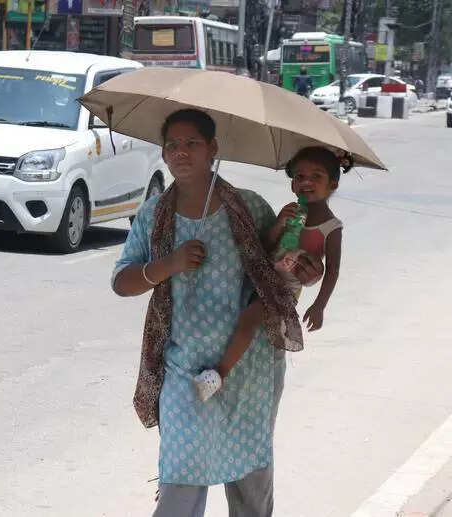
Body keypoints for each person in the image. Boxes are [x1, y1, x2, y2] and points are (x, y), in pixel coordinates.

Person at [112, 108, 323, 517]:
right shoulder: (154, 213)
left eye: (192, 143)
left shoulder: (248, 207)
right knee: (182, 470)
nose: (181, 153)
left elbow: (275, 273)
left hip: (251, 366)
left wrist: (307, 273)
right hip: (183, 370)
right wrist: (166, 266)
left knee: (250, 478)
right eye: (172, 145)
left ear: (213, 149)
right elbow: (122, 282)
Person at [194, 146, 347, 402]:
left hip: (282, 288)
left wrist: (320, 305)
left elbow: (332, 270)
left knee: (249, 320)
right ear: (292, 185)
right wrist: (278, 225)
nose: (306, 182)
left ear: (332, 185)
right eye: (299, 177)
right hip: (261, 273)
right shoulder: (292, 214)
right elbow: (264, 248)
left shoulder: (331, 228)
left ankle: (217, 376)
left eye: (316, 177)